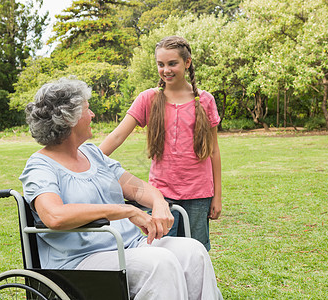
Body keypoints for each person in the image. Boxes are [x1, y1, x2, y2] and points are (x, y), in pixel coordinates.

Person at [19, 77, 222, 300]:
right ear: (70, 119)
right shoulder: (41, 166)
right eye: (88, 109)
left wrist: (159, 202)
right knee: (160, 264)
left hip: (129, 244)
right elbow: (54, 216)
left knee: (193, 252)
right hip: (80, 259)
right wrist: (127, 211)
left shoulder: (92, 154)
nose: (93, 115)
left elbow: (136, 188)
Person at [99, 36, 222, 251]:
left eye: (172, 63)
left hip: (199, 194)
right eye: (161, 64)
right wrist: (90, 159)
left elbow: (213, 151)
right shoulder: (148, 98)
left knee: (196, 252)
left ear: (187, 63)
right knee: (161, 251)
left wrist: (217, 196)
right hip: (161, 195)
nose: (166, 70)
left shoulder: (205, 100)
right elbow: (118, 136)